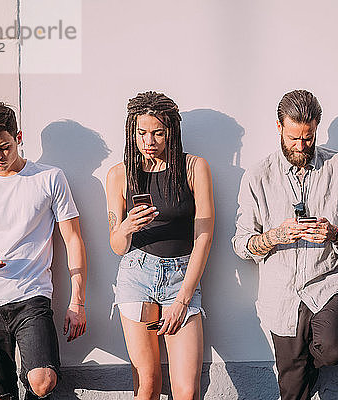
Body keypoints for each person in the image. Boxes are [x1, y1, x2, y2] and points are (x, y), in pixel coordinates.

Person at [232, 89, 338, 400]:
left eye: (307, 138)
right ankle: (301, 371)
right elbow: (241, 244)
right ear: (279, 127)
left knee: (334, 350)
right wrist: (274, 236)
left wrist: (335, 232)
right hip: (280, 295)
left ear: (317, 129)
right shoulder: (257, 176)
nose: (300, 146)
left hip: (327, 283)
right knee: (293, 390)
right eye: (293, 137)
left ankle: (307, 361)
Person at [0, 102, 88, 400]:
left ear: (19, 137)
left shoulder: (50, 178)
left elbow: (73, 239)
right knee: (0, 396)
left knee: (43, 380)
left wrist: (78, 302)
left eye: (4, 147)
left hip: (31, 296)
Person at [106, 91, 214, 400]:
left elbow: (204, 235)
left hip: (182, 276)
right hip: (137, 273)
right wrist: (127, 226)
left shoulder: (194, 168)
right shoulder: (119, 174)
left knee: (186, 391)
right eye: (142, 133)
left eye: (158, 133)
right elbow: (116, 245)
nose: (149, 140)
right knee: (148, 384)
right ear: (132, 131)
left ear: (171, 132)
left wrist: (183, 298)